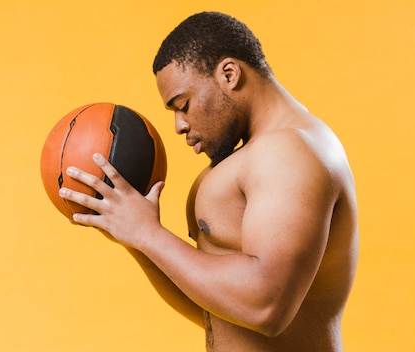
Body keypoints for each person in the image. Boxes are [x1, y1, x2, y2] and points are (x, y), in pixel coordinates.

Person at [58, 11, 358, 351]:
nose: (179, 125)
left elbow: (267, 307)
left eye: (182, 105)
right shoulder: (252, 158)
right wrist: (135, 240)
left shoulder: (290, 151)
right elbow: (215, 311)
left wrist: (149, 234)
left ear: (229, 74)